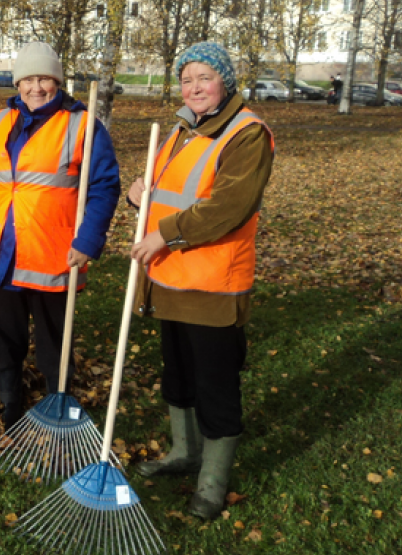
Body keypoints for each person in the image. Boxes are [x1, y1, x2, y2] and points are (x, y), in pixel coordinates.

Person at [127, 41, 274, 520]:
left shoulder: (246, 134)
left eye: (203, 78)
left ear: (224, 83)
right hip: (170, 277)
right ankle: (183, 452)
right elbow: (171, 190)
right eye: (187, 79)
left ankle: (212, 482)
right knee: (179, 374)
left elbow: (227, 208)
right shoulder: (184, 129)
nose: (194, 88)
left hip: (212, 283)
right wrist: (138, 196)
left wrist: (165, 235)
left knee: (215, 384)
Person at [0, 41, 121, 430]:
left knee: (54, 341)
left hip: (53, 252)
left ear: (58, 82)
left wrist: (89, 241)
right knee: (3, 335)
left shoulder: (82, 125)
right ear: (18, 82)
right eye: (28, 79)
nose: (36, 87)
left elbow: (104, 186)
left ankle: (55, 402)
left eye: (45, 78)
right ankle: (10, 401)